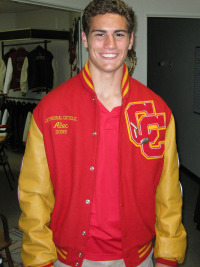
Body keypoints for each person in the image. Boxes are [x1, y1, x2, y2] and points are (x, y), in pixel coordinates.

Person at [18, 0, 187, 267]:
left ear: (130, 40)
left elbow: (169, 193)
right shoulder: (50, 110)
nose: (110, 44)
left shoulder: (158, 110)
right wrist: (40, 259)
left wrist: (167, 254)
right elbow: (33, 193)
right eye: (100, 34)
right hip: (69, 257)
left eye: (119, 34)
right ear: (85, 38)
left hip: (137, 257)